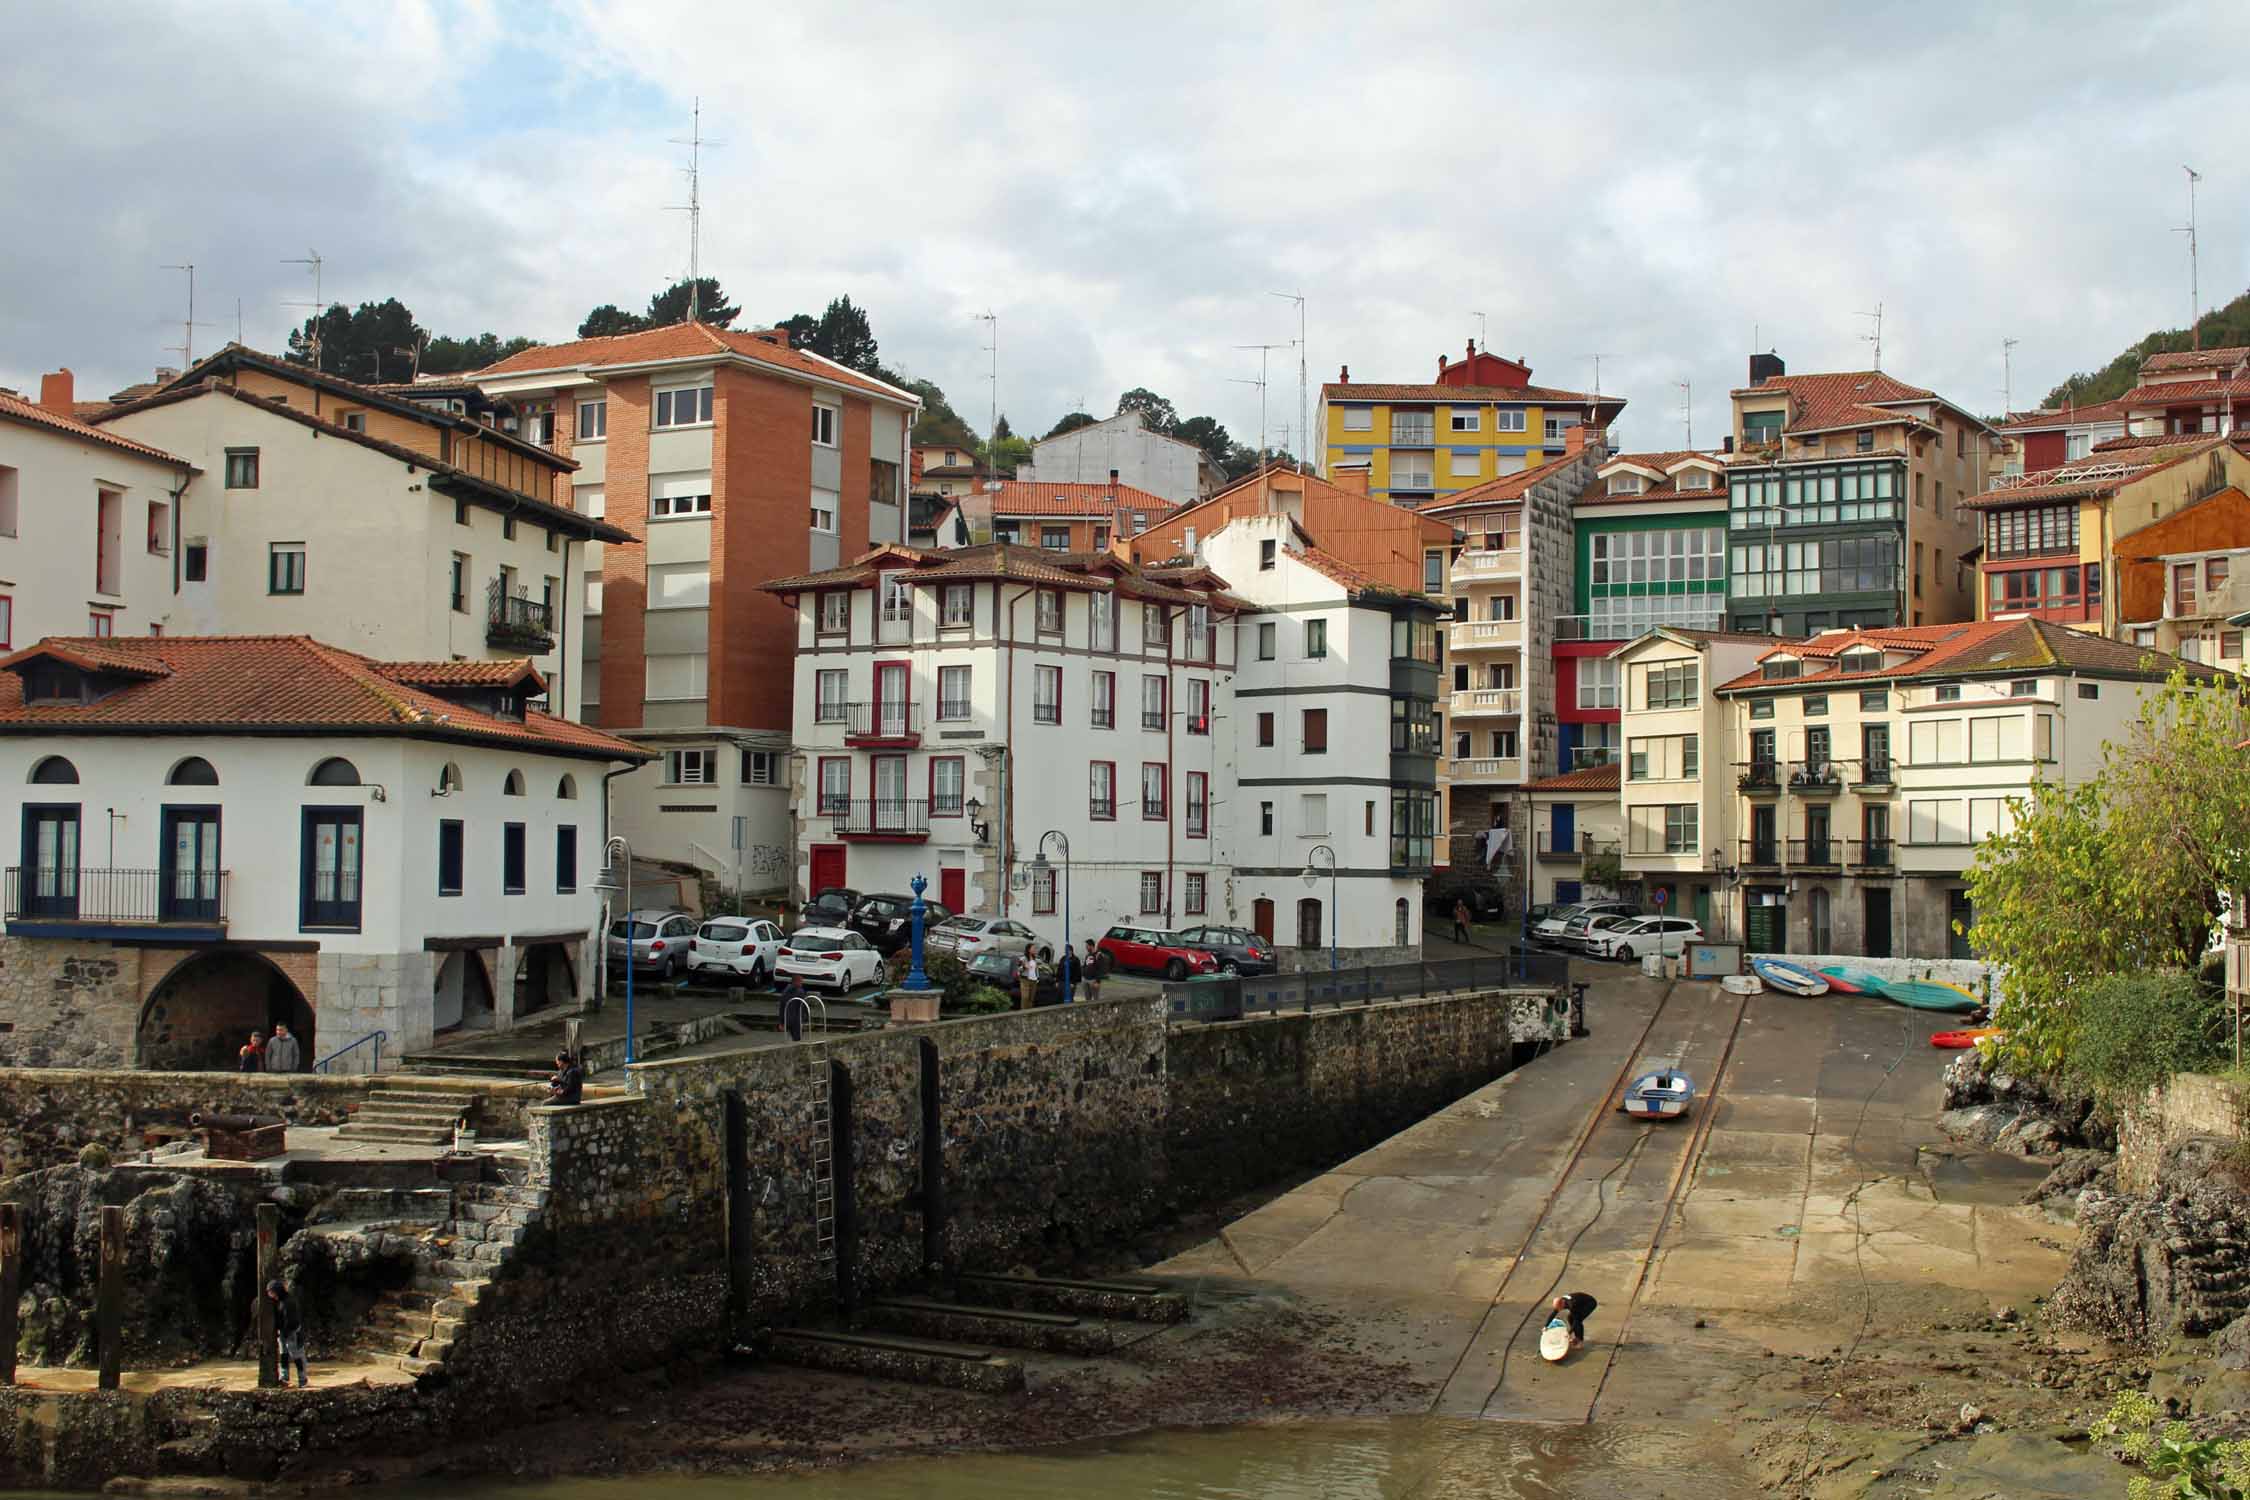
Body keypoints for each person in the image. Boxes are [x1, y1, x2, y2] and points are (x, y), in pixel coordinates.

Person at [267, 1280, 309, 1388]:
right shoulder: (278, 1302)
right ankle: (284, 1378)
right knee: (283, 1356)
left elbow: (292, 1321)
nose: (271, 1296)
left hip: (293, 1332)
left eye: (272, 1293)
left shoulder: (289, 1302)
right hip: (283, 1332)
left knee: (297, 1357)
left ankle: (302, 1379)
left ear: (278, 1291)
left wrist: (285, 1332)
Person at [778, 975, 811, 1042]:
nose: (802, 984)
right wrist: (806, 1019)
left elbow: (782, 1007)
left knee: (790, 1038)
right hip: (796, 1019)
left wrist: (781, 1022)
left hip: (787, 1019)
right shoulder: (800, 992)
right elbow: (804, 1006)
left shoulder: (785, 991)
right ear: (796, 982)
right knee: (797, 1039)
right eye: (801, 982)